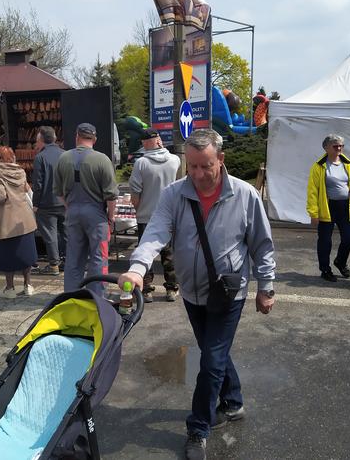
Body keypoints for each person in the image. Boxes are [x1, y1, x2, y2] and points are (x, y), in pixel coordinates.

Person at [118, 129, 276, 460]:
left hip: (228, 294)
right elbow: (156, 231)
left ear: (221, 159)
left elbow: (261, 245)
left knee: (212, 358)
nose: (198, 175)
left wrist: (266, 286)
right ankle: (233, 403)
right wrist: (138, 267)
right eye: (192, 167)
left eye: (205, 166)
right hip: (192, 292)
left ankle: (198, 427)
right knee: (212, 351)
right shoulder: (175, 194)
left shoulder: (245, 196)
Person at [54, 123, 118, 296]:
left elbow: (58, 193)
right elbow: (111, 196)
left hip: (73, 212)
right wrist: (110, 218)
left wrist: (71, 207)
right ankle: (96, 297)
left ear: (77, 137)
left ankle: (71, 296)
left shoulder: (63, 158)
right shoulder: (102, 159)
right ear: (94, 139)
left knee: (73, 258)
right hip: (96, 215)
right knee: (98, 258)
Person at [128, 128, 181, 302]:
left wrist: (137, 209)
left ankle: (147, 290)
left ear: (144, 143)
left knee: (146, 253)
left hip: (146, 216)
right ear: (159, 140)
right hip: (170, 215)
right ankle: (172, 289)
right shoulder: (175, 160)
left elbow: (135, 192)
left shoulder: (141, 163)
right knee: (170, 254)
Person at [306, 134, 350, 282]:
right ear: (326, 147)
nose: (339, 148)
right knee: (325, 241)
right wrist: (313, 213)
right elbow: (312, 191)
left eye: (341, 146)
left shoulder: (348, 164)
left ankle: (340, 262)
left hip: (346, 207)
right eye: (335, 146)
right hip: (327, 207)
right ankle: (325, 269)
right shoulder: (318, 166)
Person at [0, 146, 37, 298]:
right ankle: (28, 285)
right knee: (26, 253)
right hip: (24, 219)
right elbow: (26, 190)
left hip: (5, 220)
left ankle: (10, 288)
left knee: (7, 254)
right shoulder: (20, 171)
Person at [32, 126, 66, 275]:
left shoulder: (40, 157)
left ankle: (54, 265)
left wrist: (35, 204)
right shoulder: (65, 155)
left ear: (41, 140)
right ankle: (68, 261)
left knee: (50, 234)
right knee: (66, 233)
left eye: (37, 140)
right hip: (64, 202)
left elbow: (38, 184)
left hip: (46, 203)